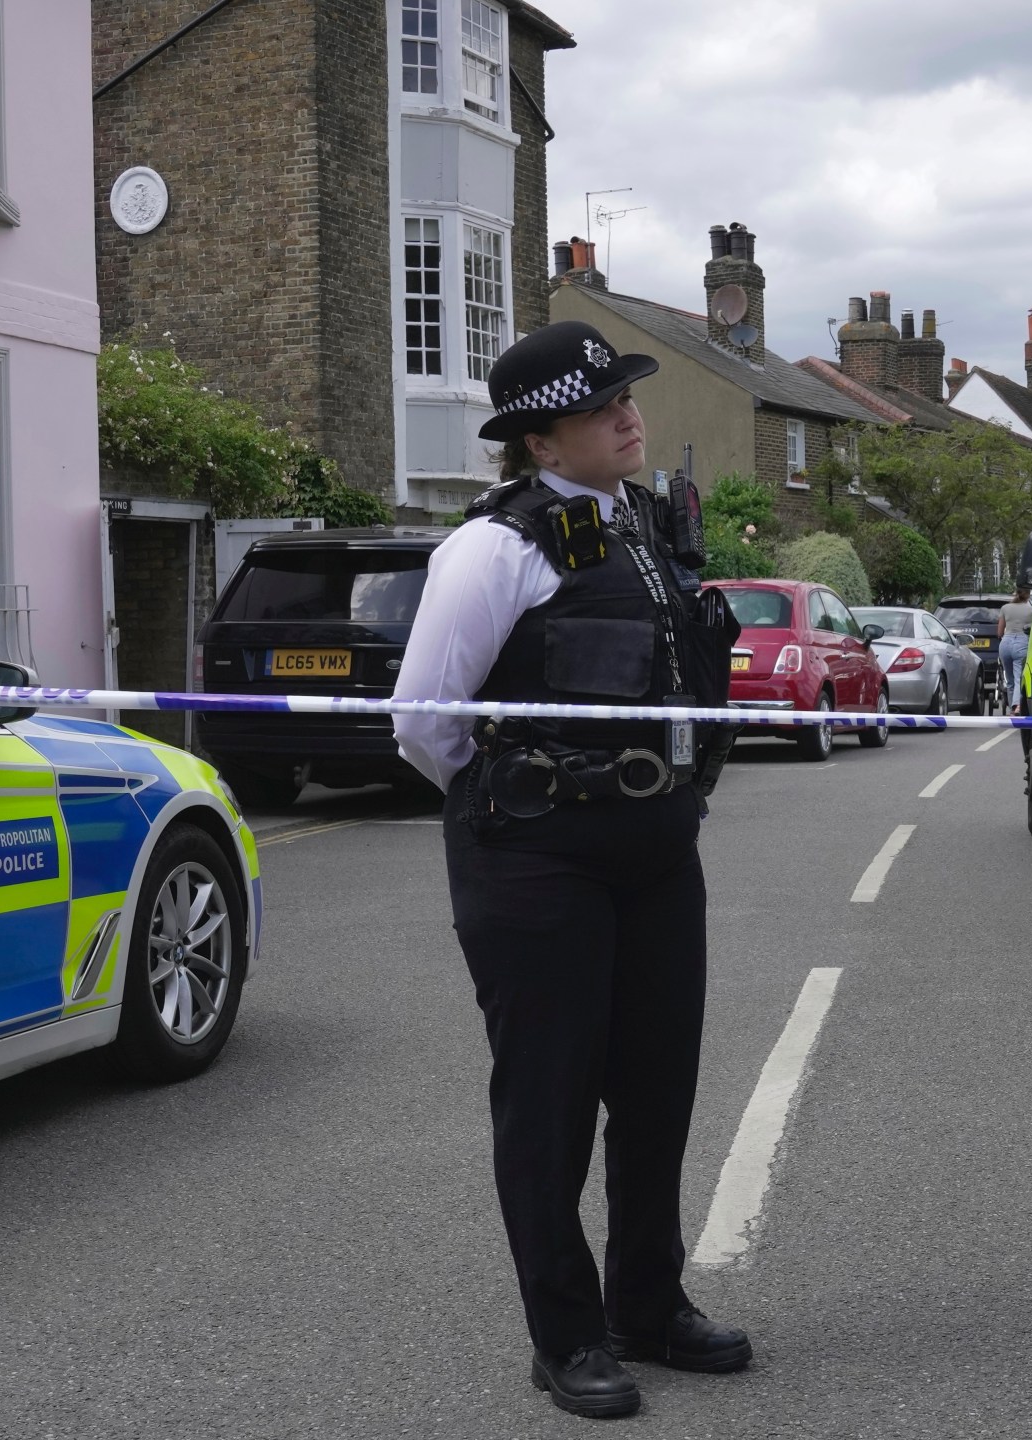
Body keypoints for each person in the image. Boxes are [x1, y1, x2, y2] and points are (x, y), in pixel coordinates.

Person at [394, 321, 750, 1420]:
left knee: (655, 1094)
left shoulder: (642, 526)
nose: (629, 417)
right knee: (548, 1104)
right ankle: (566, 1335)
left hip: (656, 850)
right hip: (536, 855)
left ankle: (649, 1303)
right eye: (604, 409)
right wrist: (530, 801)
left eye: (627, 398)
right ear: (543, 442)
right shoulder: (494, 550)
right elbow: (424, 724)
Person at [996, 586, 1032, 708]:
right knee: (1019, 678)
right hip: (1022, 642)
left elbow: (1000, 632)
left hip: (1005, 643)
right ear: (1028, 595)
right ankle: (1017, 706)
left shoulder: (1005, 608)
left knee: (1010, 679)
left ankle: (1012, 710)